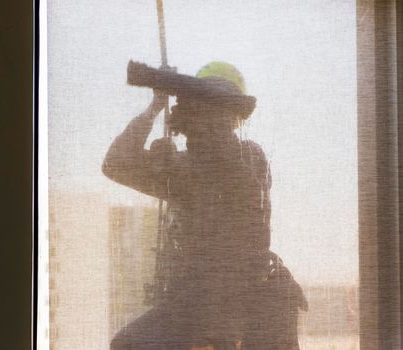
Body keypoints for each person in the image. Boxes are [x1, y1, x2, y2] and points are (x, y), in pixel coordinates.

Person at [102, 62, 307, 350]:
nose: (182, 113)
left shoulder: (246, 158)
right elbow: (116, 163)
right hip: (207, 305)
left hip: (248, 307)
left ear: (229, 119)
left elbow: (220, 163)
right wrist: (156, 107)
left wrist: (175, 117)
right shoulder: (185, 168)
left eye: (199, 108)